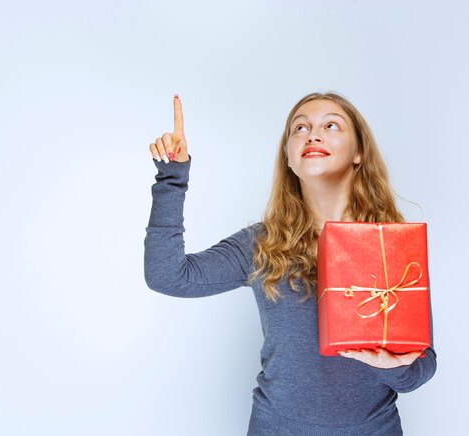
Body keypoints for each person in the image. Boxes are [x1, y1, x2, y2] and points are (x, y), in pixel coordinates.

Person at [144, 92, 437, 435]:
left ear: (359, 152)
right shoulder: (261, 244)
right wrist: (172, 177)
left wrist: (391, 366)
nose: (313, 134)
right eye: (300, 128)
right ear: (288, 156)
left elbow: (421, 368)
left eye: (331, 125)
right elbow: (168, 276)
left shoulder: (392, 247)